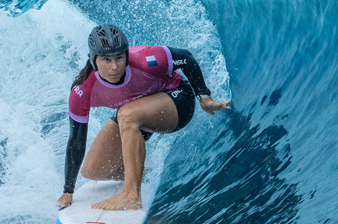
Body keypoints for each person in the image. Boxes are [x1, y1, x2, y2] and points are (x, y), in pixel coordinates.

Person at [57, 24, 230, 211]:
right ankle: (143, 173)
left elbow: (186, 58)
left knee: (127, 114)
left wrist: (204, 96)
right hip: (134, 112)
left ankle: (131, 195)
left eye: (119, 58)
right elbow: (76, 141)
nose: (114, 67)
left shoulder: (146, 59)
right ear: (93, 60)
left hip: (177, 101)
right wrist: (68, 191)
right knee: (93, 170)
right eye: (106, 60)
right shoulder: (82, 91)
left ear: (127, 56)